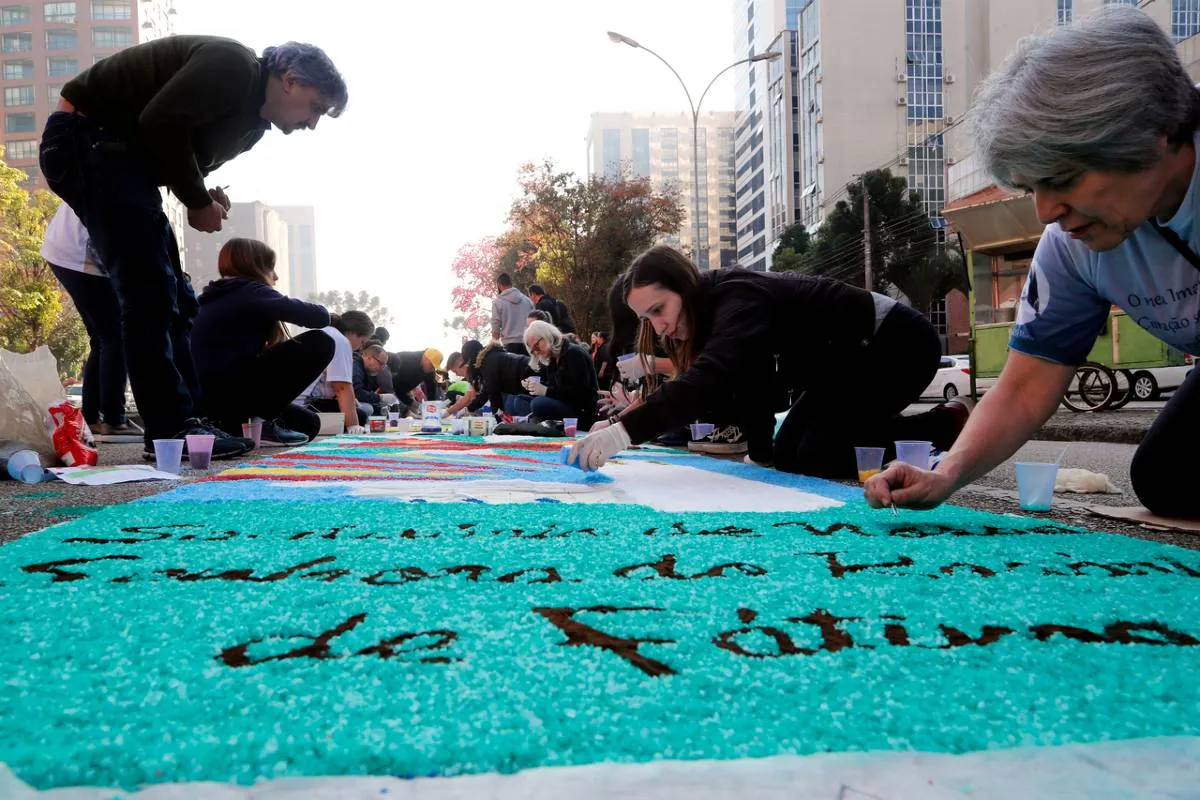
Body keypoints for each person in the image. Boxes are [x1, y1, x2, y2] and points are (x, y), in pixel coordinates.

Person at [866, 7, 1200, 519]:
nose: (1047, 211)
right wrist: (947, 472)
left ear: (1153, 132)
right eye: (1032, 187)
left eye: (1062, 178)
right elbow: (1025, 385)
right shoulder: (1071, 243)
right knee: (1168, 475)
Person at [38, 36, 347, 459]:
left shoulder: (251, 128)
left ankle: (191, 421)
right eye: (316, 107)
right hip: (87, 138)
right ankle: (169, 429)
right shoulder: (234, 65)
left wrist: (204, 195)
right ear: (290, 80)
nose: (312, 123)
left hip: (127, 162)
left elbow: (177, 157)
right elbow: (161, 121)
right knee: (148, 295)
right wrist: (197, 201)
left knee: (180, 302)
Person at [569, 246, 968, 472]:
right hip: (844, 362)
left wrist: (622, 432)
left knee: (815, 453)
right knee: (786, 454)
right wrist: (759, 454)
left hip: (895, 345)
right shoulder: (710, 315)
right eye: (646, 319)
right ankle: (906, 430)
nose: (658, 328)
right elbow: (752, 383)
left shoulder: (737, 300)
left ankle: (945, 422)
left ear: (683, 286)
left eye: (659, 310)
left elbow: (712, 378)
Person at [191, 238, 332, 444]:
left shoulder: (212, 296)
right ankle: (261, 424)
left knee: (307, 423)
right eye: (271, 268)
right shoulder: (250, 291)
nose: (275, 276)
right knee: (321, 342)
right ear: (256, 267)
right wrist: (280, 300)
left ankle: (239, 425)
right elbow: (320, 317)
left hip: (209, 400)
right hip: (228, 392)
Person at [41, 203, 140, 442]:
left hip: (64, 248)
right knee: (115, 335)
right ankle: (114, 420)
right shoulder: (126, 172)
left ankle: (92, 417)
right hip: (81, 249)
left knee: (102, 337)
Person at [509, 320, 599, 428]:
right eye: (533, 351)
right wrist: (534, 386)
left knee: (537, 404)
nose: (537, 352)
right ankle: (541, 422)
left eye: (537, 346)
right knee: (519, 400)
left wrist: (545, 391)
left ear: (547, 336)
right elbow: (555, 388)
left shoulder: (574, 353)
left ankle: (540, 422)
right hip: (564, 404)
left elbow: (579, 394)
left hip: (581, 410)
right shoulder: (552, 359)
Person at [298, 311, 372, 433]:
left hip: (288, 403)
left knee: (357, 411)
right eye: (362, 342)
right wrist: (353, 426)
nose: (360, 347)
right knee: (361, 415)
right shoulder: (341, 341)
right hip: (303, 405)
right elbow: (342, 388)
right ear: (353, 333)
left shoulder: (325, 331)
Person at [443, 339, 533, 418]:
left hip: (533, 381)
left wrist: (498, 420)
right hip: (527, 383)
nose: (469, 365)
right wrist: (469, 408)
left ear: (470, 360)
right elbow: (486, 393)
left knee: (515, 405)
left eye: (468, 362)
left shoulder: (488, 364)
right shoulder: (489, 359)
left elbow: (493, 394)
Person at [384, 348, 443, 413]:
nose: (432, 369)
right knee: (400, 413)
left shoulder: (429, 370)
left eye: (434, 367)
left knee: (416, 414)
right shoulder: (407, 361)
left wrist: (431, 405)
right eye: (431, 365)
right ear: (425, 358)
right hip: (388, 389)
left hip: (403, 390)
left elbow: (431, 388)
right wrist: (412, 402)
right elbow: (397, 388)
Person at [491, 273, 534, 355]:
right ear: (511, 284)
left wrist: (494, 349)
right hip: (529, 344)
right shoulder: (527, 300)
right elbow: (535, 322)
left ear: (499, 285)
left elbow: (495, 327)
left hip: (510, 346)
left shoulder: (497, 302)